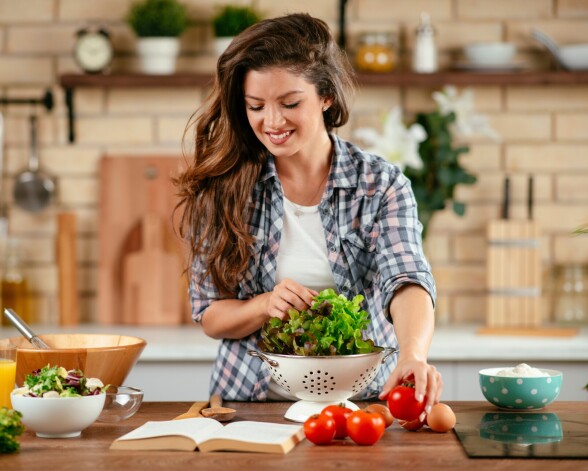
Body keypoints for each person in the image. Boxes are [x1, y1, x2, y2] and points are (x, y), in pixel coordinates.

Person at [176, 13, 442, 414]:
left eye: (290, 103)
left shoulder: (381, 185)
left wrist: (413, 354)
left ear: (326, 96)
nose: (272, 122)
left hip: (361, 404)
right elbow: (211, 314)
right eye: (255, 106)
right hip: (249, 404)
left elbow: (406, 279)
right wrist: (265, 304)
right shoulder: (224, 188)